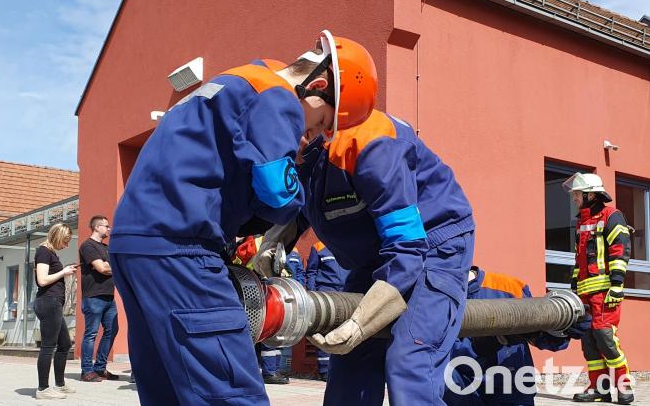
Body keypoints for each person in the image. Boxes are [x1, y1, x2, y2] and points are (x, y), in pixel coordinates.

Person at [108, 31, 377, 406]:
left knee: (166, 389)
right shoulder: (276, 96)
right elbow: (275, 192)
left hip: (133, 246)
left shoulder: (236, 81)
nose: (309, 136)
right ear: (317, 86)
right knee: (232, 393)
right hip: (182, 247)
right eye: (318, 124)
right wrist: (297, 181)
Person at [261, 98, 475, 403]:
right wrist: (274, 242)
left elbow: (407, 247)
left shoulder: (373, 144)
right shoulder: (309, 156)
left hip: (433, 246)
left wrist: (362, 322)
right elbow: (305, 205)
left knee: (410, 360)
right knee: (350, 364)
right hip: (378, 256)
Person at [443, 267, 571, 406]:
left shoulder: (508, 287)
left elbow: (539, 338)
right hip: (460, 392)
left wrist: (562, 329)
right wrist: (477, 347)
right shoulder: (430, 297)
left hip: (512, 392)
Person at [563, 173, 634, 404]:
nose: (574, 199)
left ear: (590, 194)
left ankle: (624, 386)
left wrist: (617, 285)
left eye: (576, 195)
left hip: (605, 293)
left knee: (605, 338)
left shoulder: (612, 216)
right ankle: (599, 389)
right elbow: (579, 259)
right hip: (585, 294)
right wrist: (573, 289)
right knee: (589, 341)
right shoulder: (581, 222)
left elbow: (619, 252)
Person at [33, 223, 78, 400]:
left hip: (53, 304)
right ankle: (43, 389)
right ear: (57, 237)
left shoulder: (50, 253)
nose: (66, 245)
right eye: (65, 242)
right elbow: (42, 280)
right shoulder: (43, 251)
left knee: (65, 344)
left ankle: (60, 384)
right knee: (48, 347)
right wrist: (64, 272)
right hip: (48, 302)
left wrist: (65, 271)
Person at [79, 215, 120, 382]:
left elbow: (114, 266)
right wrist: (111, 267)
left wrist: (111, 266)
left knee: (112, 330)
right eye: (106, 226)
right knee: (91, 333)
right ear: (96, 227)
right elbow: (102, 268)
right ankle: (86, 371)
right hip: (93, 296)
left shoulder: (106, 247)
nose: (109, 229)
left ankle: (100, 368)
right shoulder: (88, 246)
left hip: (109, 297)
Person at [304, 241, 349, 381]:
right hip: (326, 292)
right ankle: (325, 370)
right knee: (325, 330)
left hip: (346, 293)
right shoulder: (318, 246)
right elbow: (311, 271)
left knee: (345, 328)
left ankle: (342, 368)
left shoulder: (348, 244)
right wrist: (313, 294)